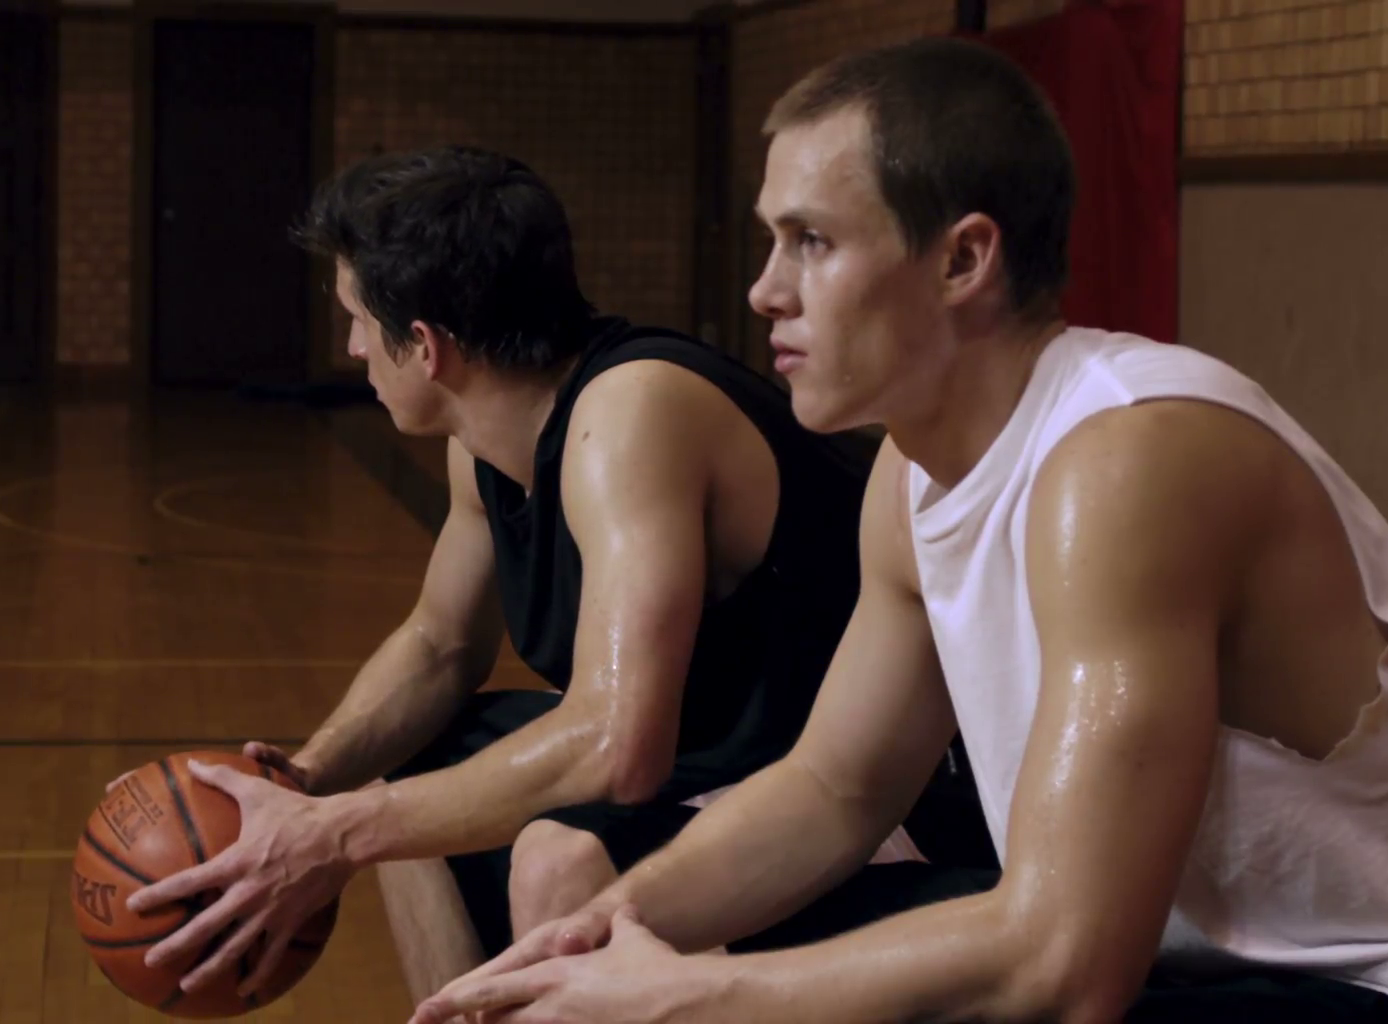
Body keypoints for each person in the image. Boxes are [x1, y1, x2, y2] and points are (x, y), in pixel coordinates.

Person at [410, 36, 1388, 1024]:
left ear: (962, 260)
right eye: (771, 239)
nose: (763, 291)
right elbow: (833, 790)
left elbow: (1061, 967)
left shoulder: (1126, 460)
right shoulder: (909, 476)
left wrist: (685, 997)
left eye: (811, 241)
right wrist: (615, 922)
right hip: (1200, 967)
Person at [117, 145, 996, 1002]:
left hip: (877, 806)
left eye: (356, 317)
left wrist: (332, 838)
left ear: (426, 346)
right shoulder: (491, 438)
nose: (351, 346)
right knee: (408, 772)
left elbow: (620, 750)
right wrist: (301, 786)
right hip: (730, 772)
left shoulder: (629, 417)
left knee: (562, 853)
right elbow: (438, 646)